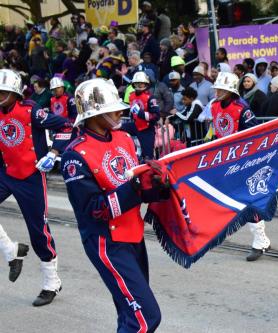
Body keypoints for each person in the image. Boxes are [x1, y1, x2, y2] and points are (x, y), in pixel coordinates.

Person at [61, 78, 167, 332]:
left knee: (130, 315)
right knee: (146, 318)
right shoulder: (75, 156)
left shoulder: (125, 138)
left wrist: (158, 186)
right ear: (94, 114)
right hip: (107, 242)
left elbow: (138, 191)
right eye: (113, 108)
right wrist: (136, 186)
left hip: (133, 235)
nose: (121, 111)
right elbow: (95, 210)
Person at [0, 69, 71, 306]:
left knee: (38, 231)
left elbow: (66, 126)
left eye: (3, 93)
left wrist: (53, 152)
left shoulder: (32, 111)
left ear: (16, 94)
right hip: (6, 172)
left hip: (31, 175)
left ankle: (52, 282)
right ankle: (12, 251)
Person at [208, 73, 269, 261]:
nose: (217, 92)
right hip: (223, 159)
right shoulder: (214, 106)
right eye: (217, 88)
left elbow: (254, 135)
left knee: (249, 200)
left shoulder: (243, 109)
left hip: (242, 160)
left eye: (222, 89)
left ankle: (260, 241)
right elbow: (216, 131)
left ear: (230, 91)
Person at [122, 72, 160, 161]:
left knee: (148, 157)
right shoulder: (131, 96)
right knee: (117, 128)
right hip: (136, 125)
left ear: (146, 84)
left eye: (141, 83)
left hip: (147, 129)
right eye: (136, 83)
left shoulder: (150, 98)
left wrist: (140, 113)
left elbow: (156, 116)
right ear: (133, 84)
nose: (139, 85)